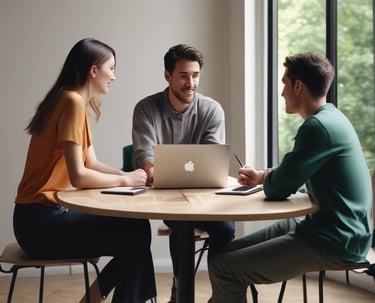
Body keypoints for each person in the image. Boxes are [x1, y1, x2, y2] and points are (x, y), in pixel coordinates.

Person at [208, 52, 373, 303]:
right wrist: (263, 175)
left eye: (284, 83)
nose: (282, 92)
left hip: (336, 239)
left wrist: (271, 180)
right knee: (225, 254)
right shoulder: (332, 118)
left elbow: (279, 190)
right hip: (330, 226)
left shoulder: (317, 127)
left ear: (298, 86)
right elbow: (294, 170)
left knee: (224, 268)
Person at [13, 38, 156, 303]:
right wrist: (126, 180)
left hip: (35, 218)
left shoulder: (71, 101)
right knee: (136, 233)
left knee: (136, 232)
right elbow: (79, 176)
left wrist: (132, 178)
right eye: (111, 68)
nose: (113, 76)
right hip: (39, 223)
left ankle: (94, 298)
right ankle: (95, 298)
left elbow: (91, 162)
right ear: (93, 70)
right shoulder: (72, 103)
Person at [132, 44, 235, 302]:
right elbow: (145, 157)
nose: (191, 83)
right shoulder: (146, 109)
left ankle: (221, 293)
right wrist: (154, 170)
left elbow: (213, 159)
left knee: (225, 227)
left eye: (195, 75)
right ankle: (180, 290)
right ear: (167, 75)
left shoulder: (212, 109)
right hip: (167, 200)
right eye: (183, 76)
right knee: (181, 225)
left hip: (206, 200)